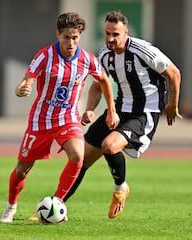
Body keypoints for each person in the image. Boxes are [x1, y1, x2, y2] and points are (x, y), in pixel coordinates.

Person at [0, 12, 119, 223]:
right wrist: (21, 88)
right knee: (22, 170)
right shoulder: (45, 56)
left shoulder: (87, 59)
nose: (71, 42)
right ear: (58, 34)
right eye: (66, 37)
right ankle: (11, 206)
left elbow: (104, 81)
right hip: (41, 121)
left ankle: (58, 202)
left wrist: (110, 110)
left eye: (75, 37)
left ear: (80, 35)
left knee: (77, 157)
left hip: (69, 119)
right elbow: (27, 80)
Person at [62, 10, 182, 218]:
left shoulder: (142, 50)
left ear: (126, 32)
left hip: (143, 114)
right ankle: (57, 205)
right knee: (79, 160)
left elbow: (174, 73)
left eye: (116, 34)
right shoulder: (105, 55)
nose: (110, 38)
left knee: (110, 146)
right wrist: (90, 108)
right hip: (117, 111)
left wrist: (172, 104)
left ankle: (120, 189)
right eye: (107, 33)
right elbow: (98, 86)